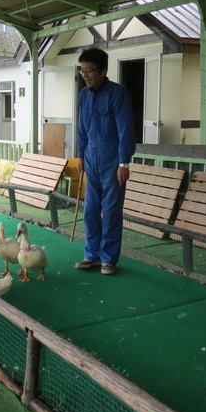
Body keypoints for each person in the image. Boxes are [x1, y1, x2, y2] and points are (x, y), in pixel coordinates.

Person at [75, 48, 136, 275]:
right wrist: (81, 155)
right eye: (82, 71)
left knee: (110, 211)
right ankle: (92, 254)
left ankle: (108, 258)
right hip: (91, 160)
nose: (85, 75)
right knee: (90, 209)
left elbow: (125, 130)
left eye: (90, 70)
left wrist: (124, 163)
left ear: (103, 70)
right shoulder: (84, 95)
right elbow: (82, 128)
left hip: (112, 162)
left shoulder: (118, 94)